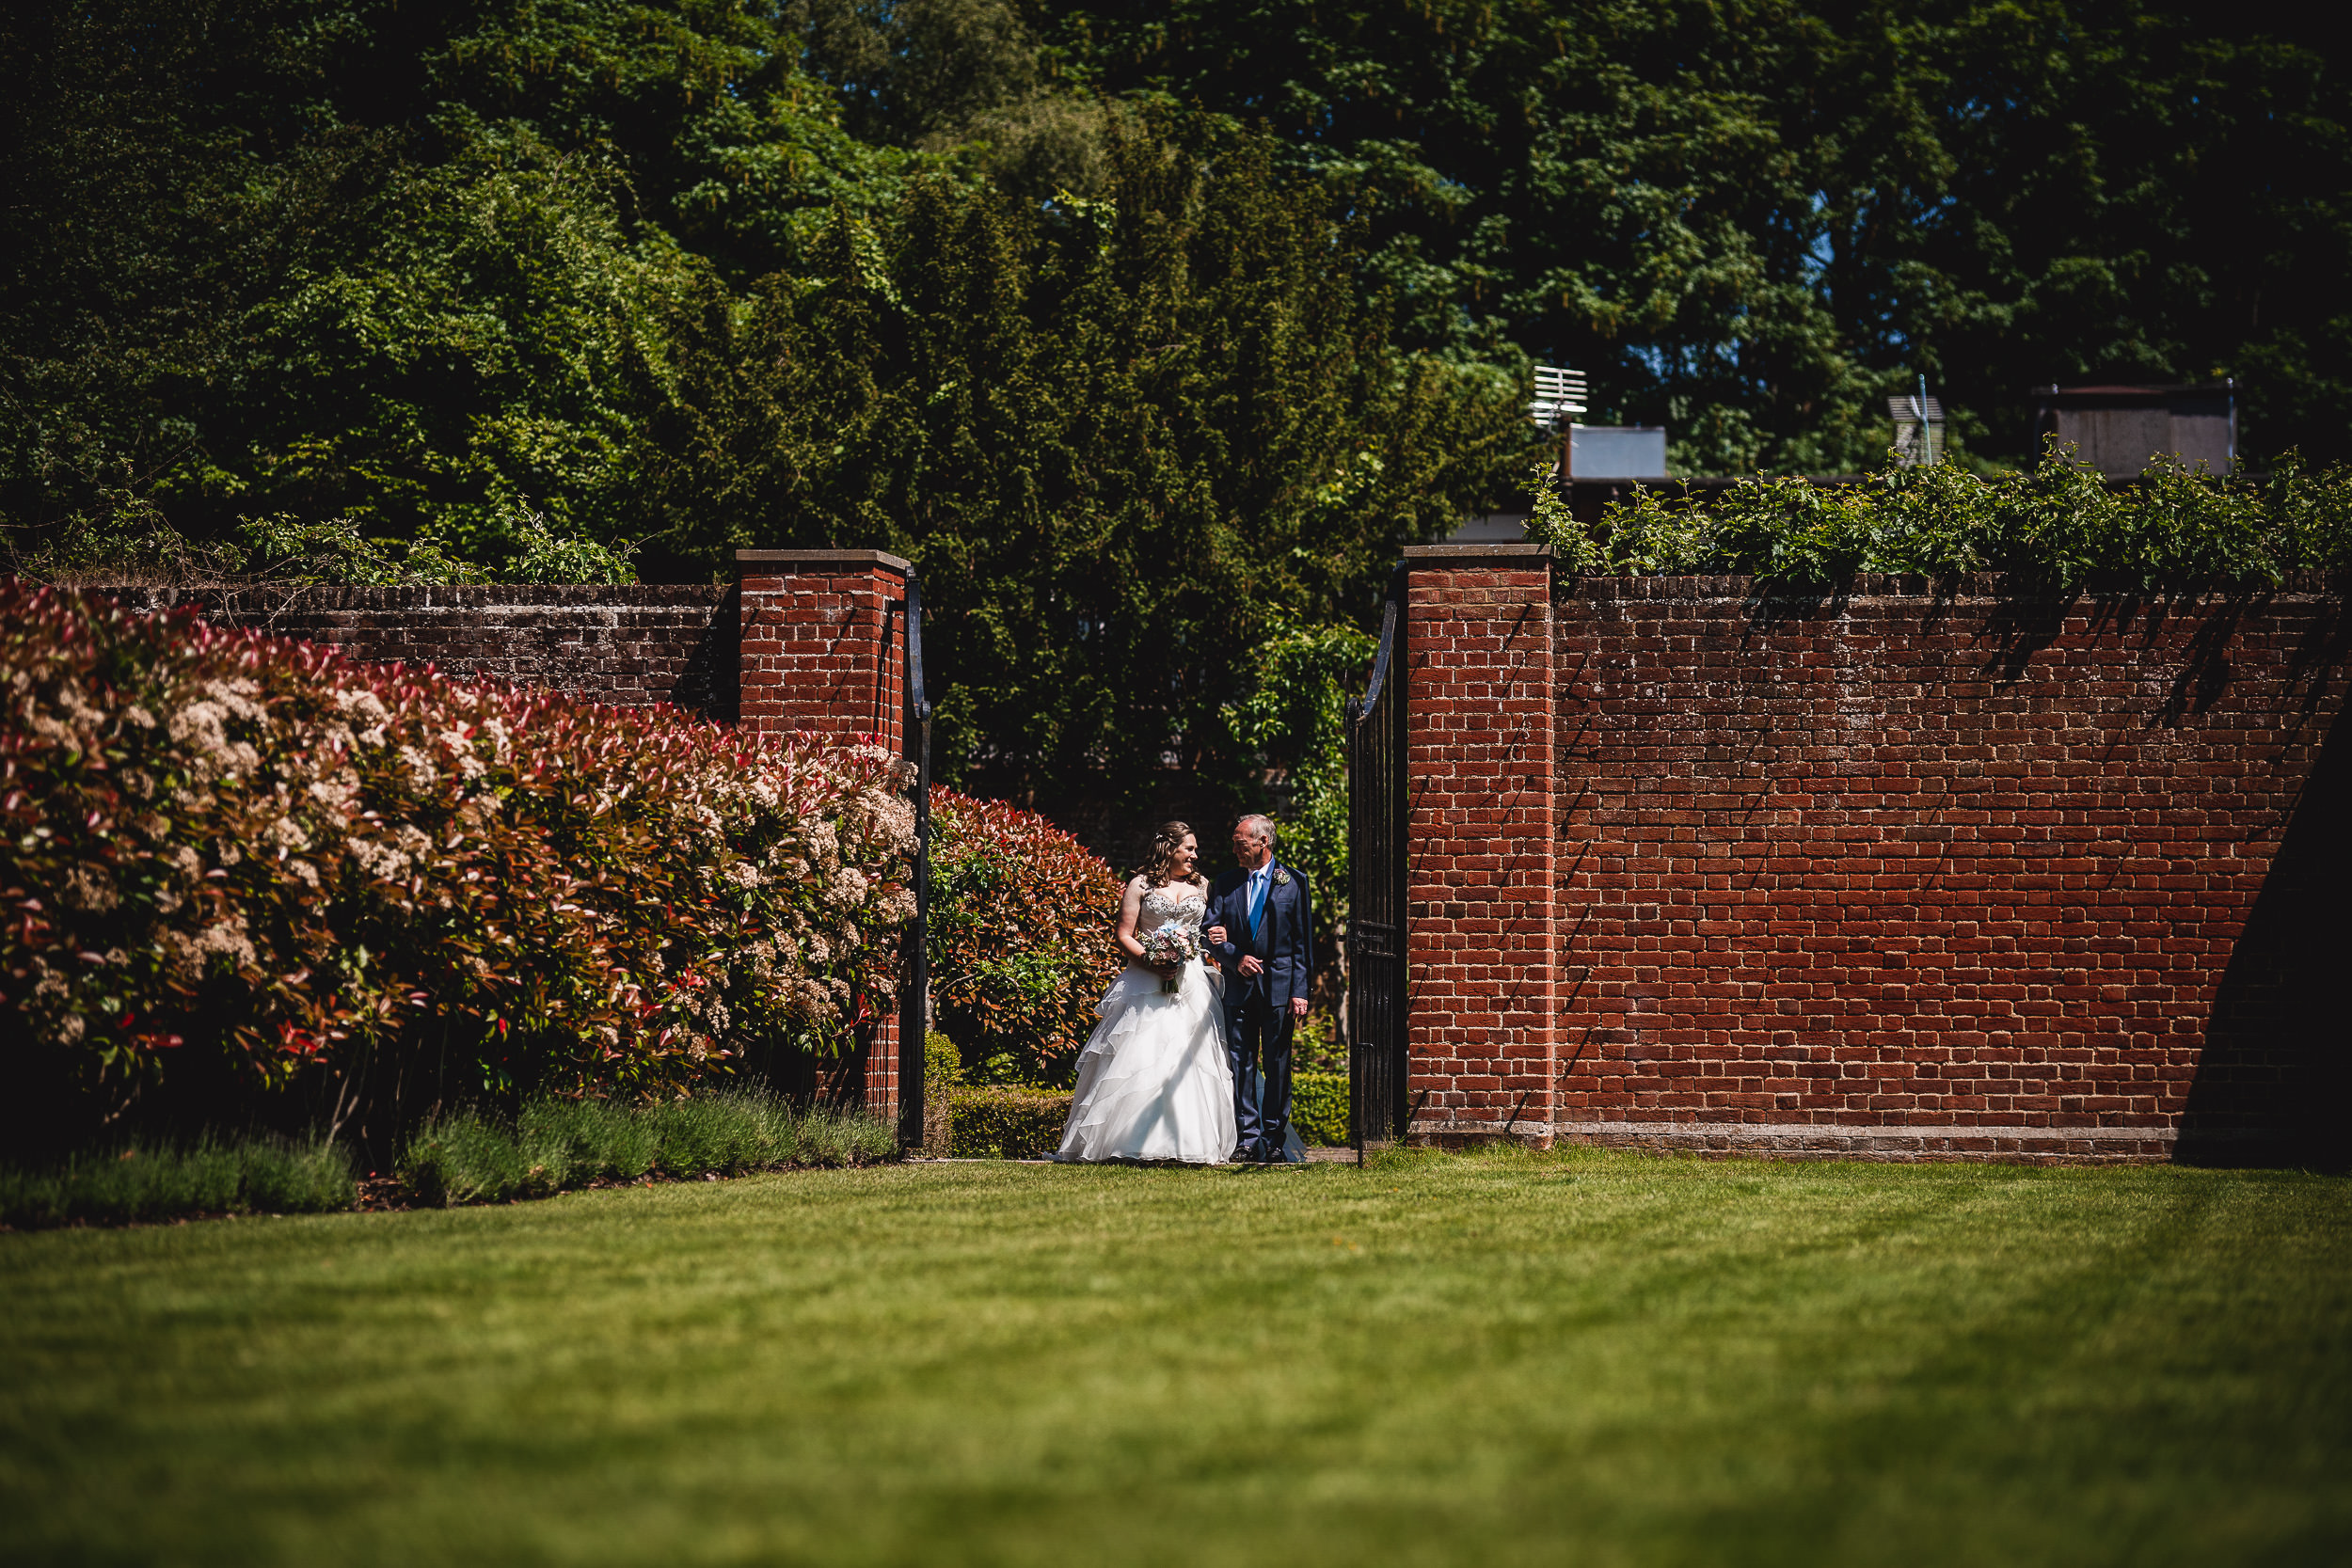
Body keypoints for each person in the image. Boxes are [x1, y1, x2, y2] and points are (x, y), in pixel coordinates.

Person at [1054, 822, 1239, 1164]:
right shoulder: (1140, 884)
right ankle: (1128, 1139)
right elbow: (1124, 934)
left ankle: (1189, 1142)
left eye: (1195, 849)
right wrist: (1152, 960)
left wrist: (1215, 937)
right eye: (1189, 849)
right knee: (1142, 1054)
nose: (1195, 855)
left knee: (1190, 1057)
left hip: (1192, 981)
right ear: (1169, 849)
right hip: (1146, 979)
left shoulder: (1203, 884)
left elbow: (1214, 926)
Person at [1204, 815, 1314, 1163]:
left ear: (1263, 843)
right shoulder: (1225, 882)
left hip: (1281, 988)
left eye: (1241, 842)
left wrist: (1301, 990)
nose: (1235, 848)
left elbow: (1302, 942)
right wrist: (1234, 956)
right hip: (1239, 987)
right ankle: (1248, 1138)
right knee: (1242, 1063)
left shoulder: (1294, 881)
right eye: (1235, 842)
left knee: (1279, 1064)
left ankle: (1275, 1139)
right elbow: (1210, 931)